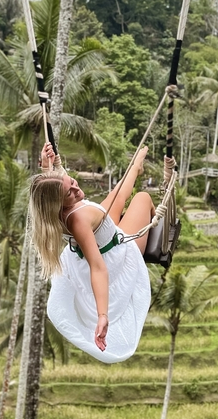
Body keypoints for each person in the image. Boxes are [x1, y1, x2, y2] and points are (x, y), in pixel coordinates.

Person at [31, 142, 165, 363]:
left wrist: (48, 167)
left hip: (99, 237)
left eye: (73, 182)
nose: (77, 190)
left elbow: (55, 185)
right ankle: (157, 226)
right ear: (59, 202)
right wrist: (103, 315)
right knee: (142, 197)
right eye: (70, 193)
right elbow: (98, 268)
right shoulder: (80, 219)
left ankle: (135, 167)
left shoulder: (51, 207)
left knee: (117, 196)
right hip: (116, 255)